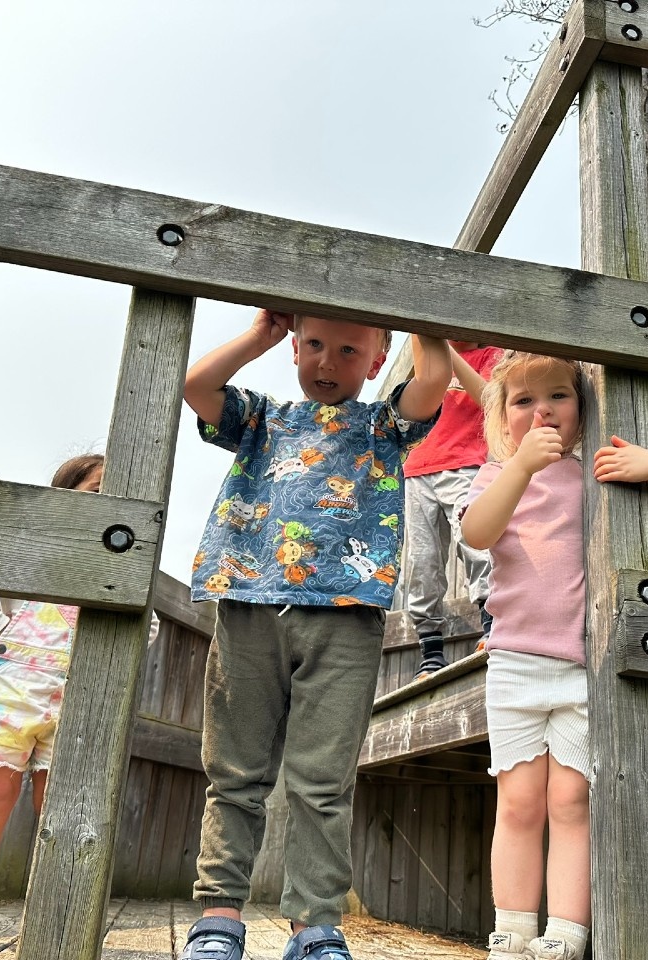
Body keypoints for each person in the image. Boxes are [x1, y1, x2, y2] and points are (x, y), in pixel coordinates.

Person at [179, 309, 449, 960]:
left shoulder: (383, 425)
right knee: (235, 773)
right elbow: (196, 386)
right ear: (295, 345)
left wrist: (421, 316)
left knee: (322, 780)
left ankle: (314, 926)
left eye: (350, 350)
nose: (328, 363)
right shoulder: (262, 417)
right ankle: (218, 918)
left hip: (346, 614)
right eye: (316, 346)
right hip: (249, 597)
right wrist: (259, 337)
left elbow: (435, 376)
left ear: (379, 360)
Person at [461, 353, 648, 960]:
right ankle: (511, 932)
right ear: (504, 418)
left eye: (558, 397)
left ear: (583, 408)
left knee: (571, 801)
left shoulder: (600, 475)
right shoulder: (498, 474)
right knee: (517, 803)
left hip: (583, 667)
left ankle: (565, 935)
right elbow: (476, 533)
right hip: (515, 661)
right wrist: (519, 467)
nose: (541, 411)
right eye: (523, 402)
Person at [0, 454, 159, 942]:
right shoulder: (34, 547)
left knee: (59, 807)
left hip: (77, 700)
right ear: (64, 495)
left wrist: (108, 660)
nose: (104, 502)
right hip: (11, 691)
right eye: (95, 490)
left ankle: (61, 907)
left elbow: (150, 623)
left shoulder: (120, 563)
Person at [403, 340, 502, 680]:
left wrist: (450, 354)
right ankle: (430, 651)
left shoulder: (491, 355)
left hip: (464, 464)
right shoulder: (425, 353)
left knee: (476, 543)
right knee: (421, 562)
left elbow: (493, 402)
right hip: (416, 469)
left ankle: (492, 625)